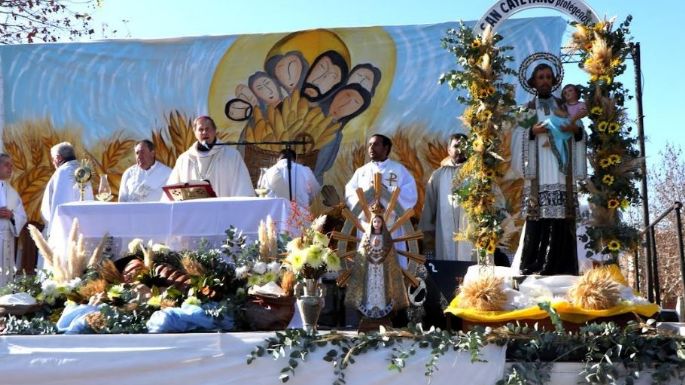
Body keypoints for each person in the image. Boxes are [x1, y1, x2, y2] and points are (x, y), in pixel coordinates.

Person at [510, 63, 587, 275]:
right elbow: (516, 139)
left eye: (548, 77)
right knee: (538, 220)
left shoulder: (565, 106)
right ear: (533, 82)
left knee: (562, 218)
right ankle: (533, 265)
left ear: (553, 81)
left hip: (562, 173)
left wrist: (576, 131)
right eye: (540, 77)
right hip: (539, 173)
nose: (544, 80)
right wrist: (532, 132)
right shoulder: (527, 110)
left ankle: (564, 267)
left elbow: (580, 132)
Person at [345, 202, 409, 319]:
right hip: (369, 268)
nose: (376, 224)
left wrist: (382, 255)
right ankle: (368, 307)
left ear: (382, 223)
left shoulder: (386, 237)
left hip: (382, 269)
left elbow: (391, 256)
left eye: (379, 221)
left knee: (381, 287)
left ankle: (383, 307)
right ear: (372, 222)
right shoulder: (366, 236)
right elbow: (361, 254)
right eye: (375, 221)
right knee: (370, 287)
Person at [166, 115, 255, 198]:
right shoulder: (184, 159)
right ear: (195, 133)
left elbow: (243, 187)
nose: (204, 132)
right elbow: (173, 190)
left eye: (207, 129)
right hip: (193, 211)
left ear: (214, 131)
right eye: (200, 130)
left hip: (224, 210)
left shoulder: (231, 155)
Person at [418, 133, 473, 261]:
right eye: (456, 146)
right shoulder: (438, 175)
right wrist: (427, 235)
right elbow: (429, 207)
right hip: (445, 234)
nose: (460, 150)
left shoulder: (478, 172)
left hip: (472, 236)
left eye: (465, 146)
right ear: (449, 150)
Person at [41, 142, 93, 237]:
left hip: (65, 229)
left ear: (58, 158)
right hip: (85, 227)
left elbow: (59, 202)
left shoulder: (63, 171)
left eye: (53, 159)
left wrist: (53, 232)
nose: (53, 163)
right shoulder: (83, 171)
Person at [0, 154, 27, 287]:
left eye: (11, 165)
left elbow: (22, 216)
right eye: (6, 164)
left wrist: (11, 216)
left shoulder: (12, 192)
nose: (10, 168)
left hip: (7, 240)